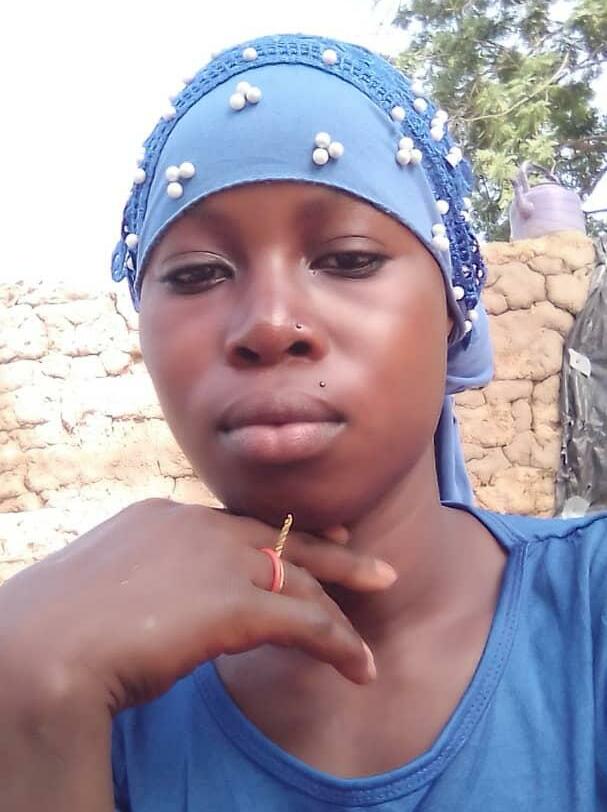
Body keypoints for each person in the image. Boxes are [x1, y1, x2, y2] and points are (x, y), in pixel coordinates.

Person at [1, 33, 606, 812]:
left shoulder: (587, 614)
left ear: (453, 313)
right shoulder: (80, 677)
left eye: (347, 259)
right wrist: (31, 706)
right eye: (198, 274)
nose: (268, 323)